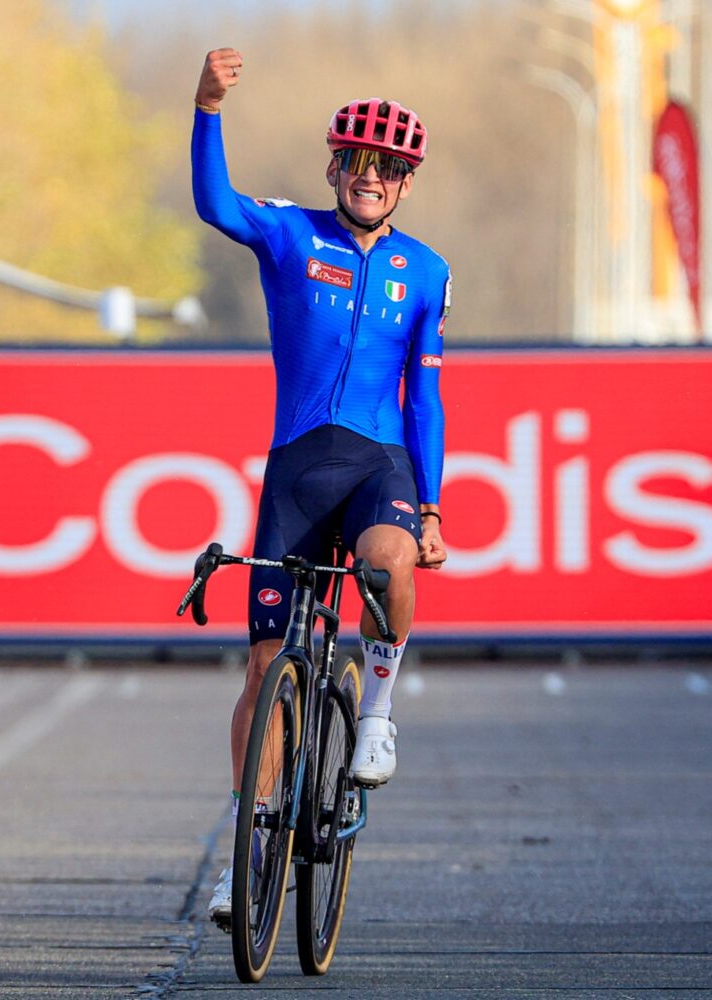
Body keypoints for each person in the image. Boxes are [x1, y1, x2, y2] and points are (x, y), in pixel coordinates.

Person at [192, 49, 450, 923]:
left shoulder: (427, 271)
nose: (371, 178)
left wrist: (435, 505)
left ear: (405, 184)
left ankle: (376, 707)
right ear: (334, 167)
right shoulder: (291, 234)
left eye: (389, 169)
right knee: (265, 664)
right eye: (359, 162)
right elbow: (214, 204)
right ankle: (244, 849)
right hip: (299, 467)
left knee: (386, 565)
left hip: (382, 465)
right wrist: (208, 110)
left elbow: (427, 392)